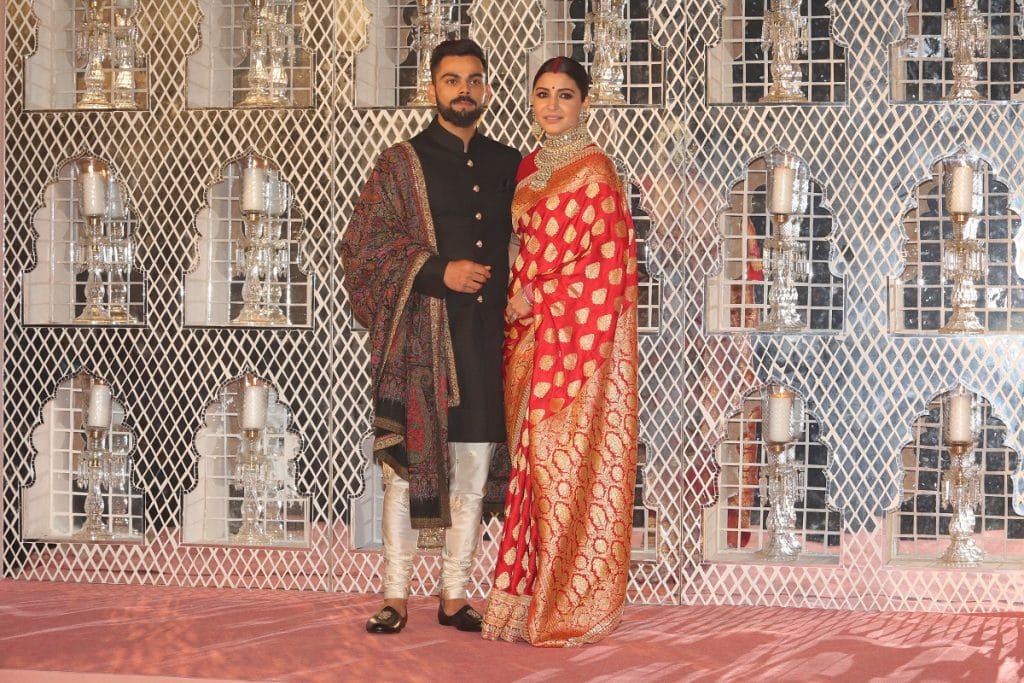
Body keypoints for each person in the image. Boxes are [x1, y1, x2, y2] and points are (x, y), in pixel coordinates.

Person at [341, 38, 520, 635]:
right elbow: (364, 247)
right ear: (432, 89)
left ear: (487, 90)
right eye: (451, 80)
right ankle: (395, 596)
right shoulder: (400, 163)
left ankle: (453, 595)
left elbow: (531, 241)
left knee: (471, 468)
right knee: (405, 470)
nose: (462, 90)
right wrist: (439, 271)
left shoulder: (510, 165)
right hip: (420, 343)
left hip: (488, 339)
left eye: (473, 80)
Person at [481, 56, 639, 647]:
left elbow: (609, 265)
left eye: (564, 95)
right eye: (542, 94)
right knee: (526, 467)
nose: (551, 105)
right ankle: (518, 602)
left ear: (584, 103)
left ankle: (563, 600)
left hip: (569, 341)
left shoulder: (595, 171)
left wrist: (539, 295)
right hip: (523, 338)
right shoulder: (525, 170)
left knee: (558, 467)